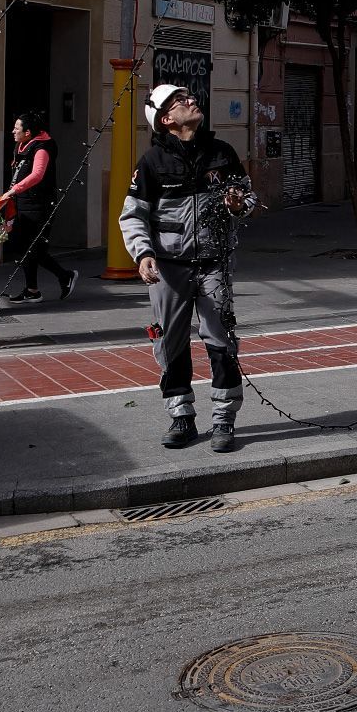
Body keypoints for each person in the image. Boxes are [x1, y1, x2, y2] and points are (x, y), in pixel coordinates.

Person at [119, 84, 255, 451]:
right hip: (168, 268)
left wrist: (238, 204)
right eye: (181, 101)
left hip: (214, 264)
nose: (192, 101)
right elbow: (133, 216)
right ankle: (181, 417)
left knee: (222, 341)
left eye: (190, 97)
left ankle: (224, 421)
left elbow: (248, 196)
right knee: (170, 343)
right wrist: (143, 253)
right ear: (166, 119)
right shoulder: (151, 162)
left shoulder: (221, 153)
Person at [1, 112, 77, 302]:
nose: (13, 131)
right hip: (22, 202)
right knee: (24, 247)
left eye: (16, 128)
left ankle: (64, 276)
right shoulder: (22, 145)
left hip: (38, 204)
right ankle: (32, 290)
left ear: (27, 132)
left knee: (33, 248)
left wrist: (14, 190)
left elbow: (37, 175)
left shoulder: (42, 148)